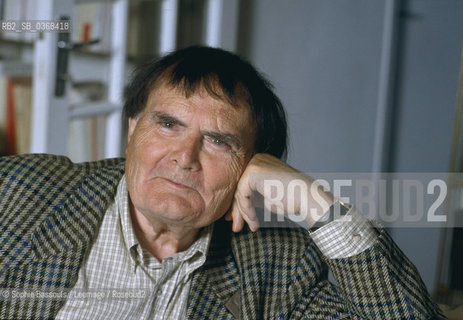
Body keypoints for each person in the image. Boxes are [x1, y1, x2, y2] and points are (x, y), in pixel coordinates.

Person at [0, 46, 444, 319]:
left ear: (253, 167)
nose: (184, 157)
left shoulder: (276, 270)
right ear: (133, 129)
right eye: (168, 125)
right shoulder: (24, 194)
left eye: (218, 141)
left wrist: (315, 202)